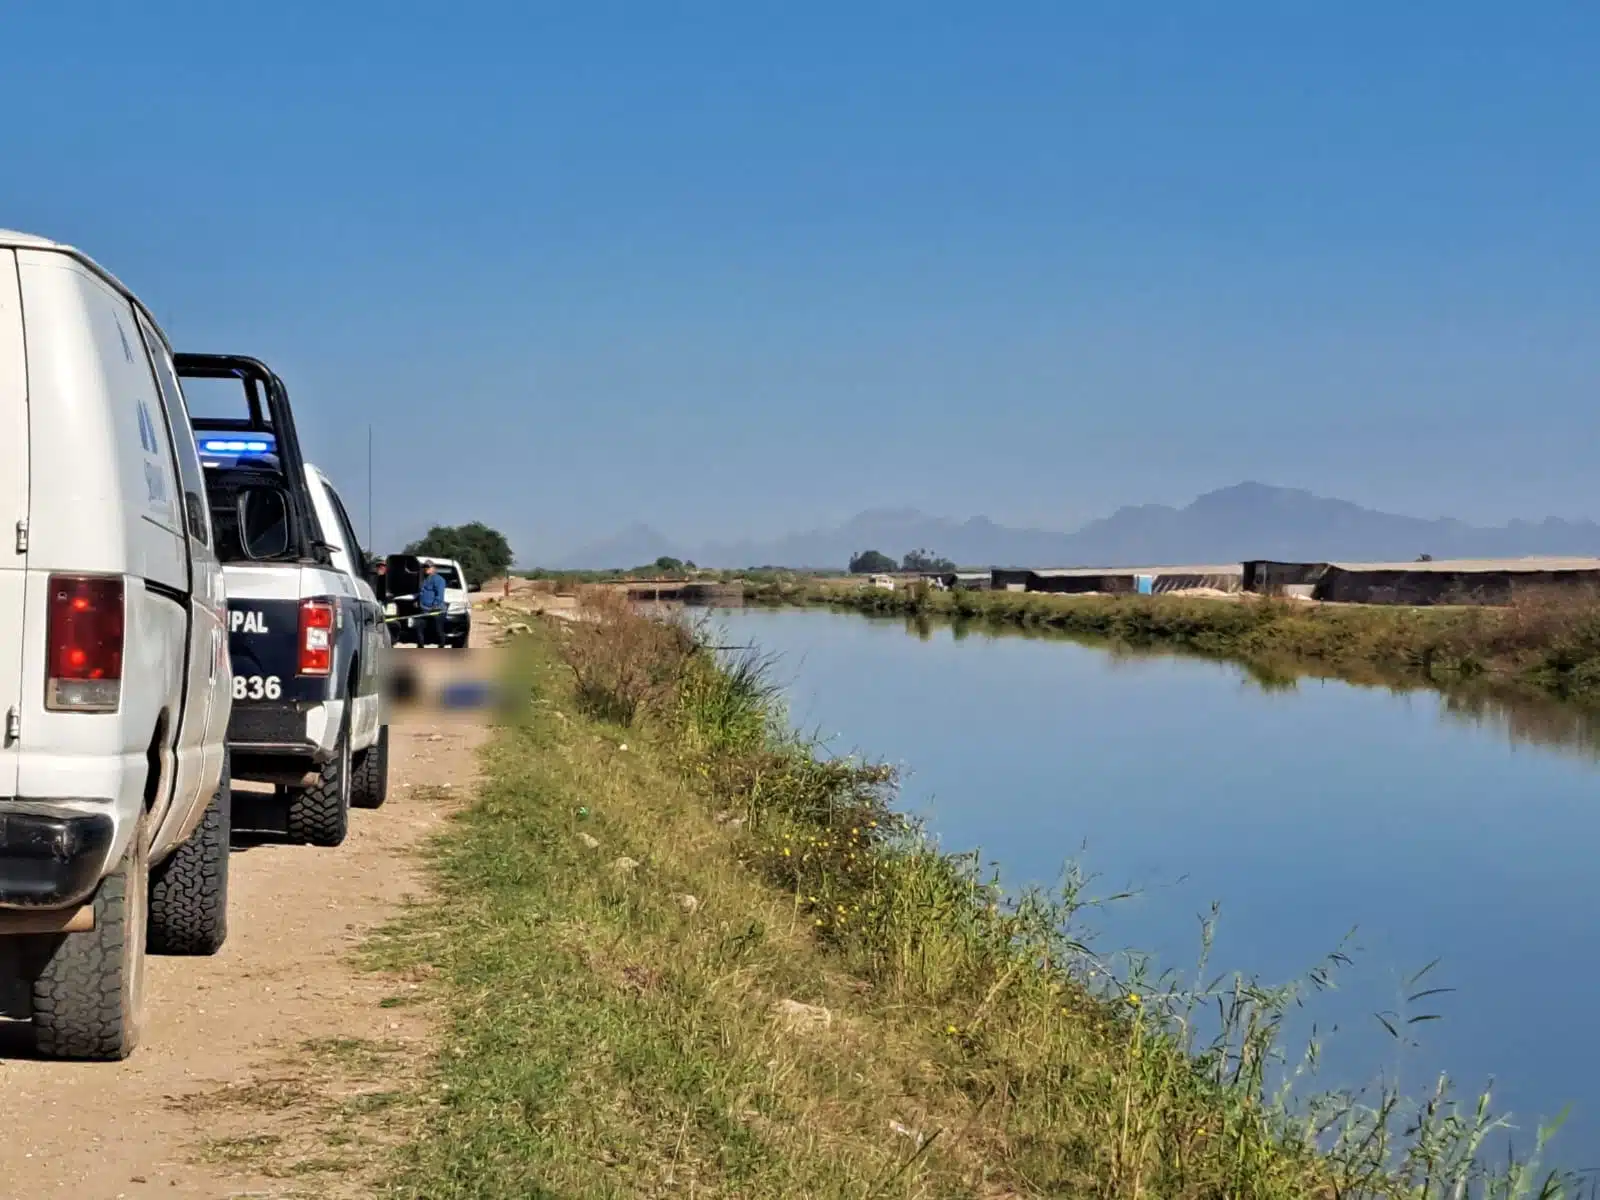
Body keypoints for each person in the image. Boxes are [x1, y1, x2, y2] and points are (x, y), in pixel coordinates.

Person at [417, 559, 447, 648]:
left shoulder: (439, 579)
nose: (426, 569)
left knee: (438, 631)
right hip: (424, 610)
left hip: (436, 610)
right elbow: (421, 592)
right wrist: (418, 601)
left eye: (428, 567)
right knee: (419, 629)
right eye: (424, 567)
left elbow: (440, 595)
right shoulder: (423, 579)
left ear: (433, 568)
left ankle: (441, 646)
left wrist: (434, 606)